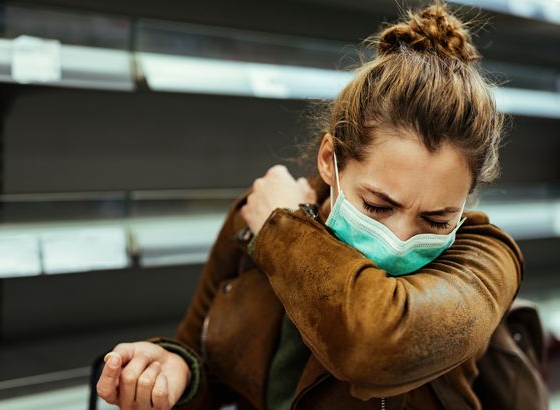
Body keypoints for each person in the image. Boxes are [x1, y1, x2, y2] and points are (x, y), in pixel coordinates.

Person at [96, 2, 525, 409]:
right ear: (329, 160)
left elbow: (374, 348)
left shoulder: (485, 259)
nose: (398, 239)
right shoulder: (254, 218)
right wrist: (178, 373)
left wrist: (283, 232)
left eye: (436, 218)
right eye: (377, 206)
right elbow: (202, 351)